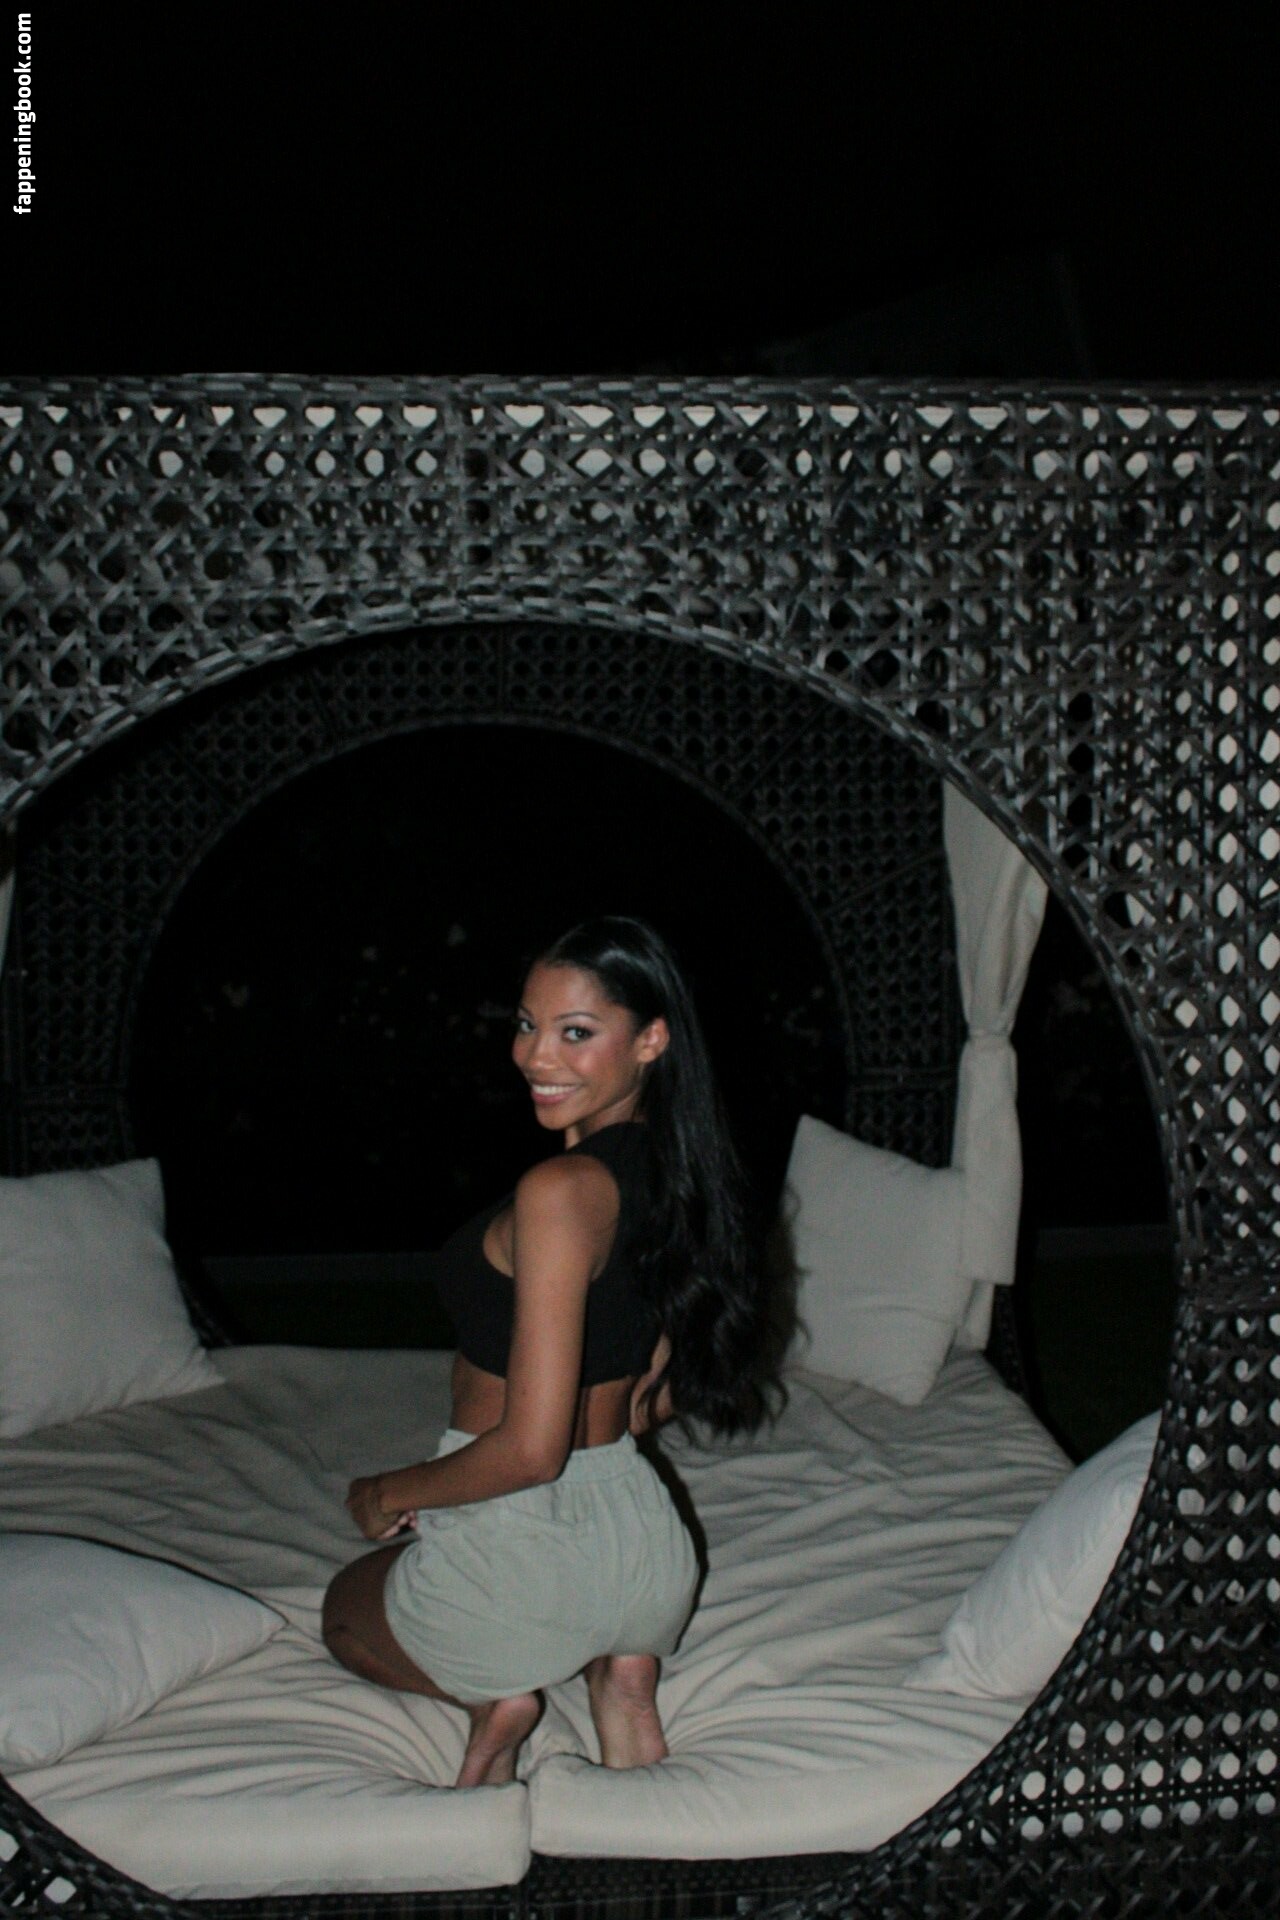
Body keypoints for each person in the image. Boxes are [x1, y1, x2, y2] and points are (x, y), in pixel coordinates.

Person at [321, 914, 775, 1788]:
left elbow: (531, 1453)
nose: (536, 1056)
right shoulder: (684, 1175)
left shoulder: (562, 1190)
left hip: (522, 1550)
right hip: (643, 1551)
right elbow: (657, 1393)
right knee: (569, 1614)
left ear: (651, 1040)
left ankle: (496, 1700)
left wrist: (386, 1492)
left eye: (576, 1033)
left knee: (348, 1605)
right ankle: (622, 1674)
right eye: (528, 1024)